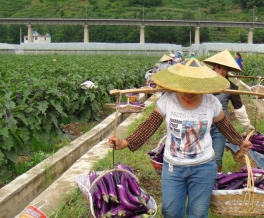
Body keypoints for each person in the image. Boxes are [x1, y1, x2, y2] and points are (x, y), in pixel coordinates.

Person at [108, 58, 252, 218]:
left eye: (194, 88)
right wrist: (123, 143)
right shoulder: (167, 100)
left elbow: (224, 125)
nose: (189, 93)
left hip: (203, 167)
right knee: (171, 211)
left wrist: (240, 141)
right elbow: (149, 126)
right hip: (173, 168)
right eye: (185, 87)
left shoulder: (211, 102)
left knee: (198, 213)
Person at [204, 49, 254, 172]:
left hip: (221, 126)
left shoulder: (231, 88)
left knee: (217, 158)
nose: (221, 72)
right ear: (214, 67)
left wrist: (247, 125)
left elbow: (239, 108)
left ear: (228, 71)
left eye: (225, 69)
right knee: (201, 157)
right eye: (218, 68)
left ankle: (215, 182)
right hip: (202, 125)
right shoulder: (203, 83)